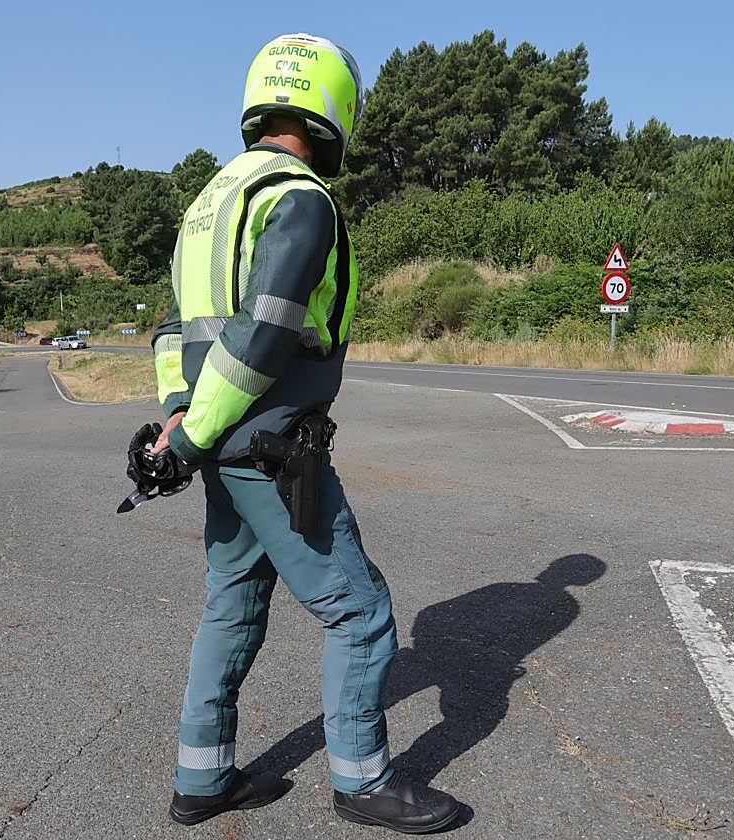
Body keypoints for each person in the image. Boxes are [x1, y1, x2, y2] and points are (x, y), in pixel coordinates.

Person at [149, 33, 461, 834]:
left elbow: (173, 328)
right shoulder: (301, 198)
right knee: (358, 610)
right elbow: (263, 334)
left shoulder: (208, 201)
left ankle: (204, 774)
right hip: (269, 442)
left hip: (217, 434)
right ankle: (362, 780)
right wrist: (195, 437)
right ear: (333, 109)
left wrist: (179, 423)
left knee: (235, 599)